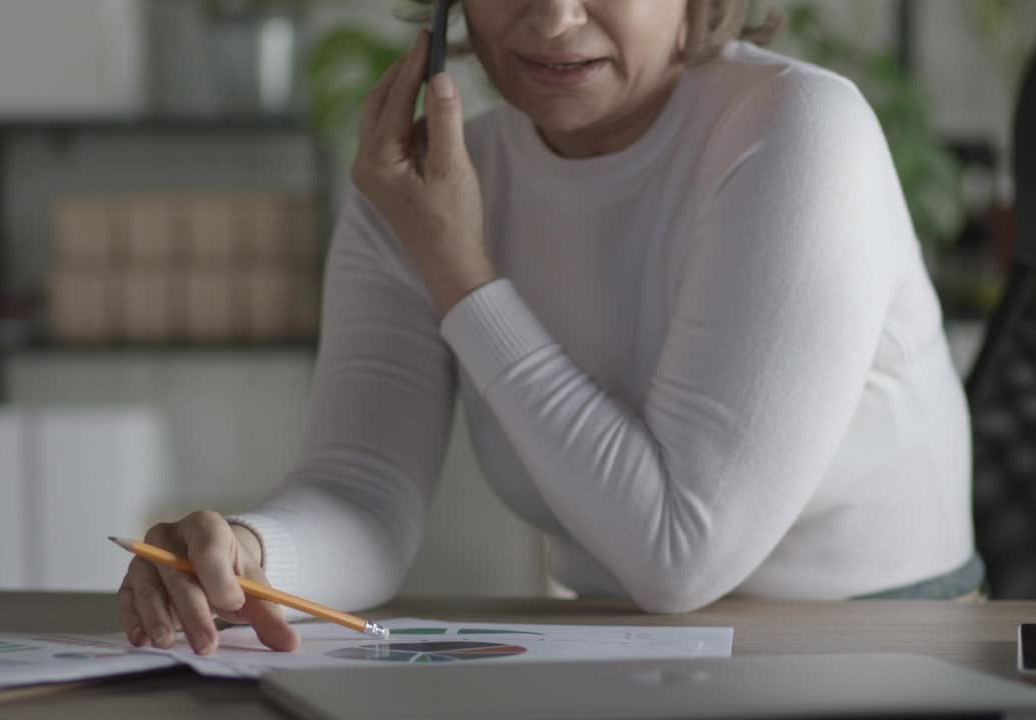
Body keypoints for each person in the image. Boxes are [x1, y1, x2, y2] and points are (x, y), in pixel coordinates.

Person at [118, 0, 979, 657]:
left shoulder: (799, 129)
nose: (555, 20)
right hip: (619, 660)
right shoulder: (430, 182)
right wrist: (248, 559)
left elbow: (679, 552)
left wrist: (460, 274)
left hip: (877, 659)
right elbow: (362, 492)